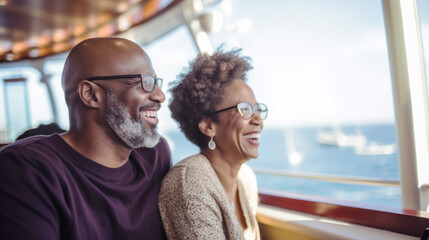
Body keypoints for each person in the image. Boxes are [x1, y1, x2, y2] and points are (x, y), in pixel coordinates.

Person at [0, 37, 171, 240]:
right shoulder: (25, 169)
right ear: (90, 94)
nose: (160, 96)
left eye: (156, 83)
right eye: (145, 82)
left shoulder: (155, 156)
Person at [158, 48, 267, 240]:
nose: (258, 119)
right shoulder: (189, 183)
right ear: (208, 126)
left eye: (257, 108)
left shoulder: (246, 179)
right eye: (245, 109)